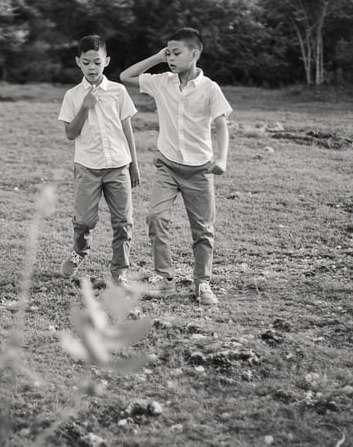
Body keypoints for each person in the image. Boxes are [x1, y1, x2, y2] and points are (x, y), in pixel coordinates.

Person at [120, 27, 231, 304]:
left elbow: (221, 125)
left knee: (203, 229)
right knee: (156, 217)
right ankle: (164, 278)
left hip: (199, 171)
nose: (171, 57)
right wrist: (157, 57)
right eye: (168, 52)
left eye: (176, 53)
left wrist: (222, 159)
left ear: (194, 54)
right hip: (167, 166)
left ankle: (202, 283)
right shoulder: (161, 82)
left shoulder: (210, 89)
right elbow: (125, 76)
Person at [58, 35, 140, 286]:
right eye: (86, 62)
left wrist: (134, 165)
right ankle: (79, 251)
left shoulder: (118, 91)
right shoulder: (72, 95)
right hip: (87, 167)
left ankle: (119, 271)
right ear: (78, 63)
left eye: (97, 62)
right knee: (84, 220)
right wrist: (85, 107)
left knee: (123, 222)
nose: (92, 68)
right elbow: (70, 134)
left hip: (118, 165)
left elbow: (127, 129)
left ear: (107, 61)